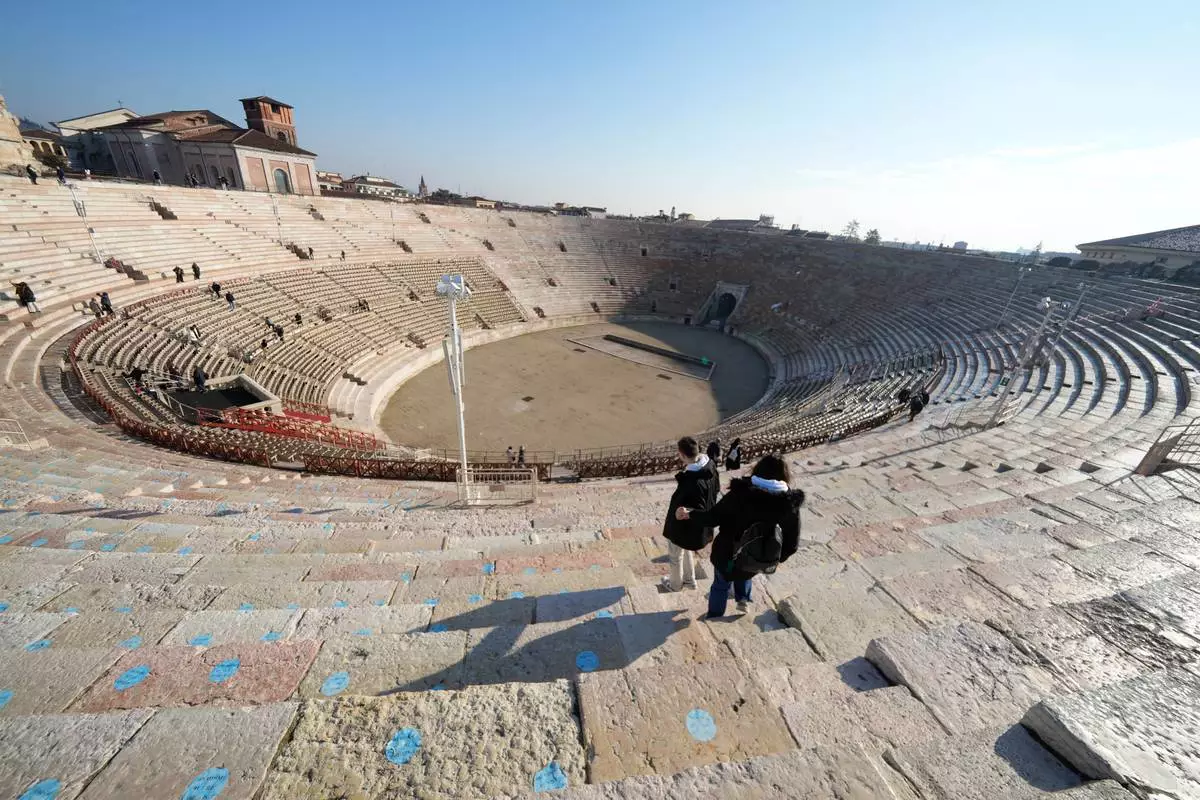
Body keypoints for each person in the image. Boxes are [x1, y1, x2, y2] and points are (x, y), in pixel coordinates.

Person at [676, 454, 804, 618]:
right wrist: (772, 557)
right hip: (757, 558)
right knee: (746, 571)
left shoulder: (740, 494)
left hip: (728, 555)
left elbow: (713, 517)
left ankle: (714, 615)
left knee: (721, 583)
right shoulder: (790, 504)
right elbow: (792, 545)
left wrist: (690, 514)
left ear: (758, 470)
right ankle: (743, 600)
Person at [661, 436, 720, 592]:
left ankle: (675, 585)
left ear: (681, 454)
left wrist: (686, 513)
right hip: (698, 528)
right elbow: (716, 490)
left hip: (684, 525)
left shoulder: (691, 480)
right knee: (685, 548)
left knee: (675, 555)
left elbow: (693, 507)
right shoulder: (710, 467)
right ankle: (690, 580)